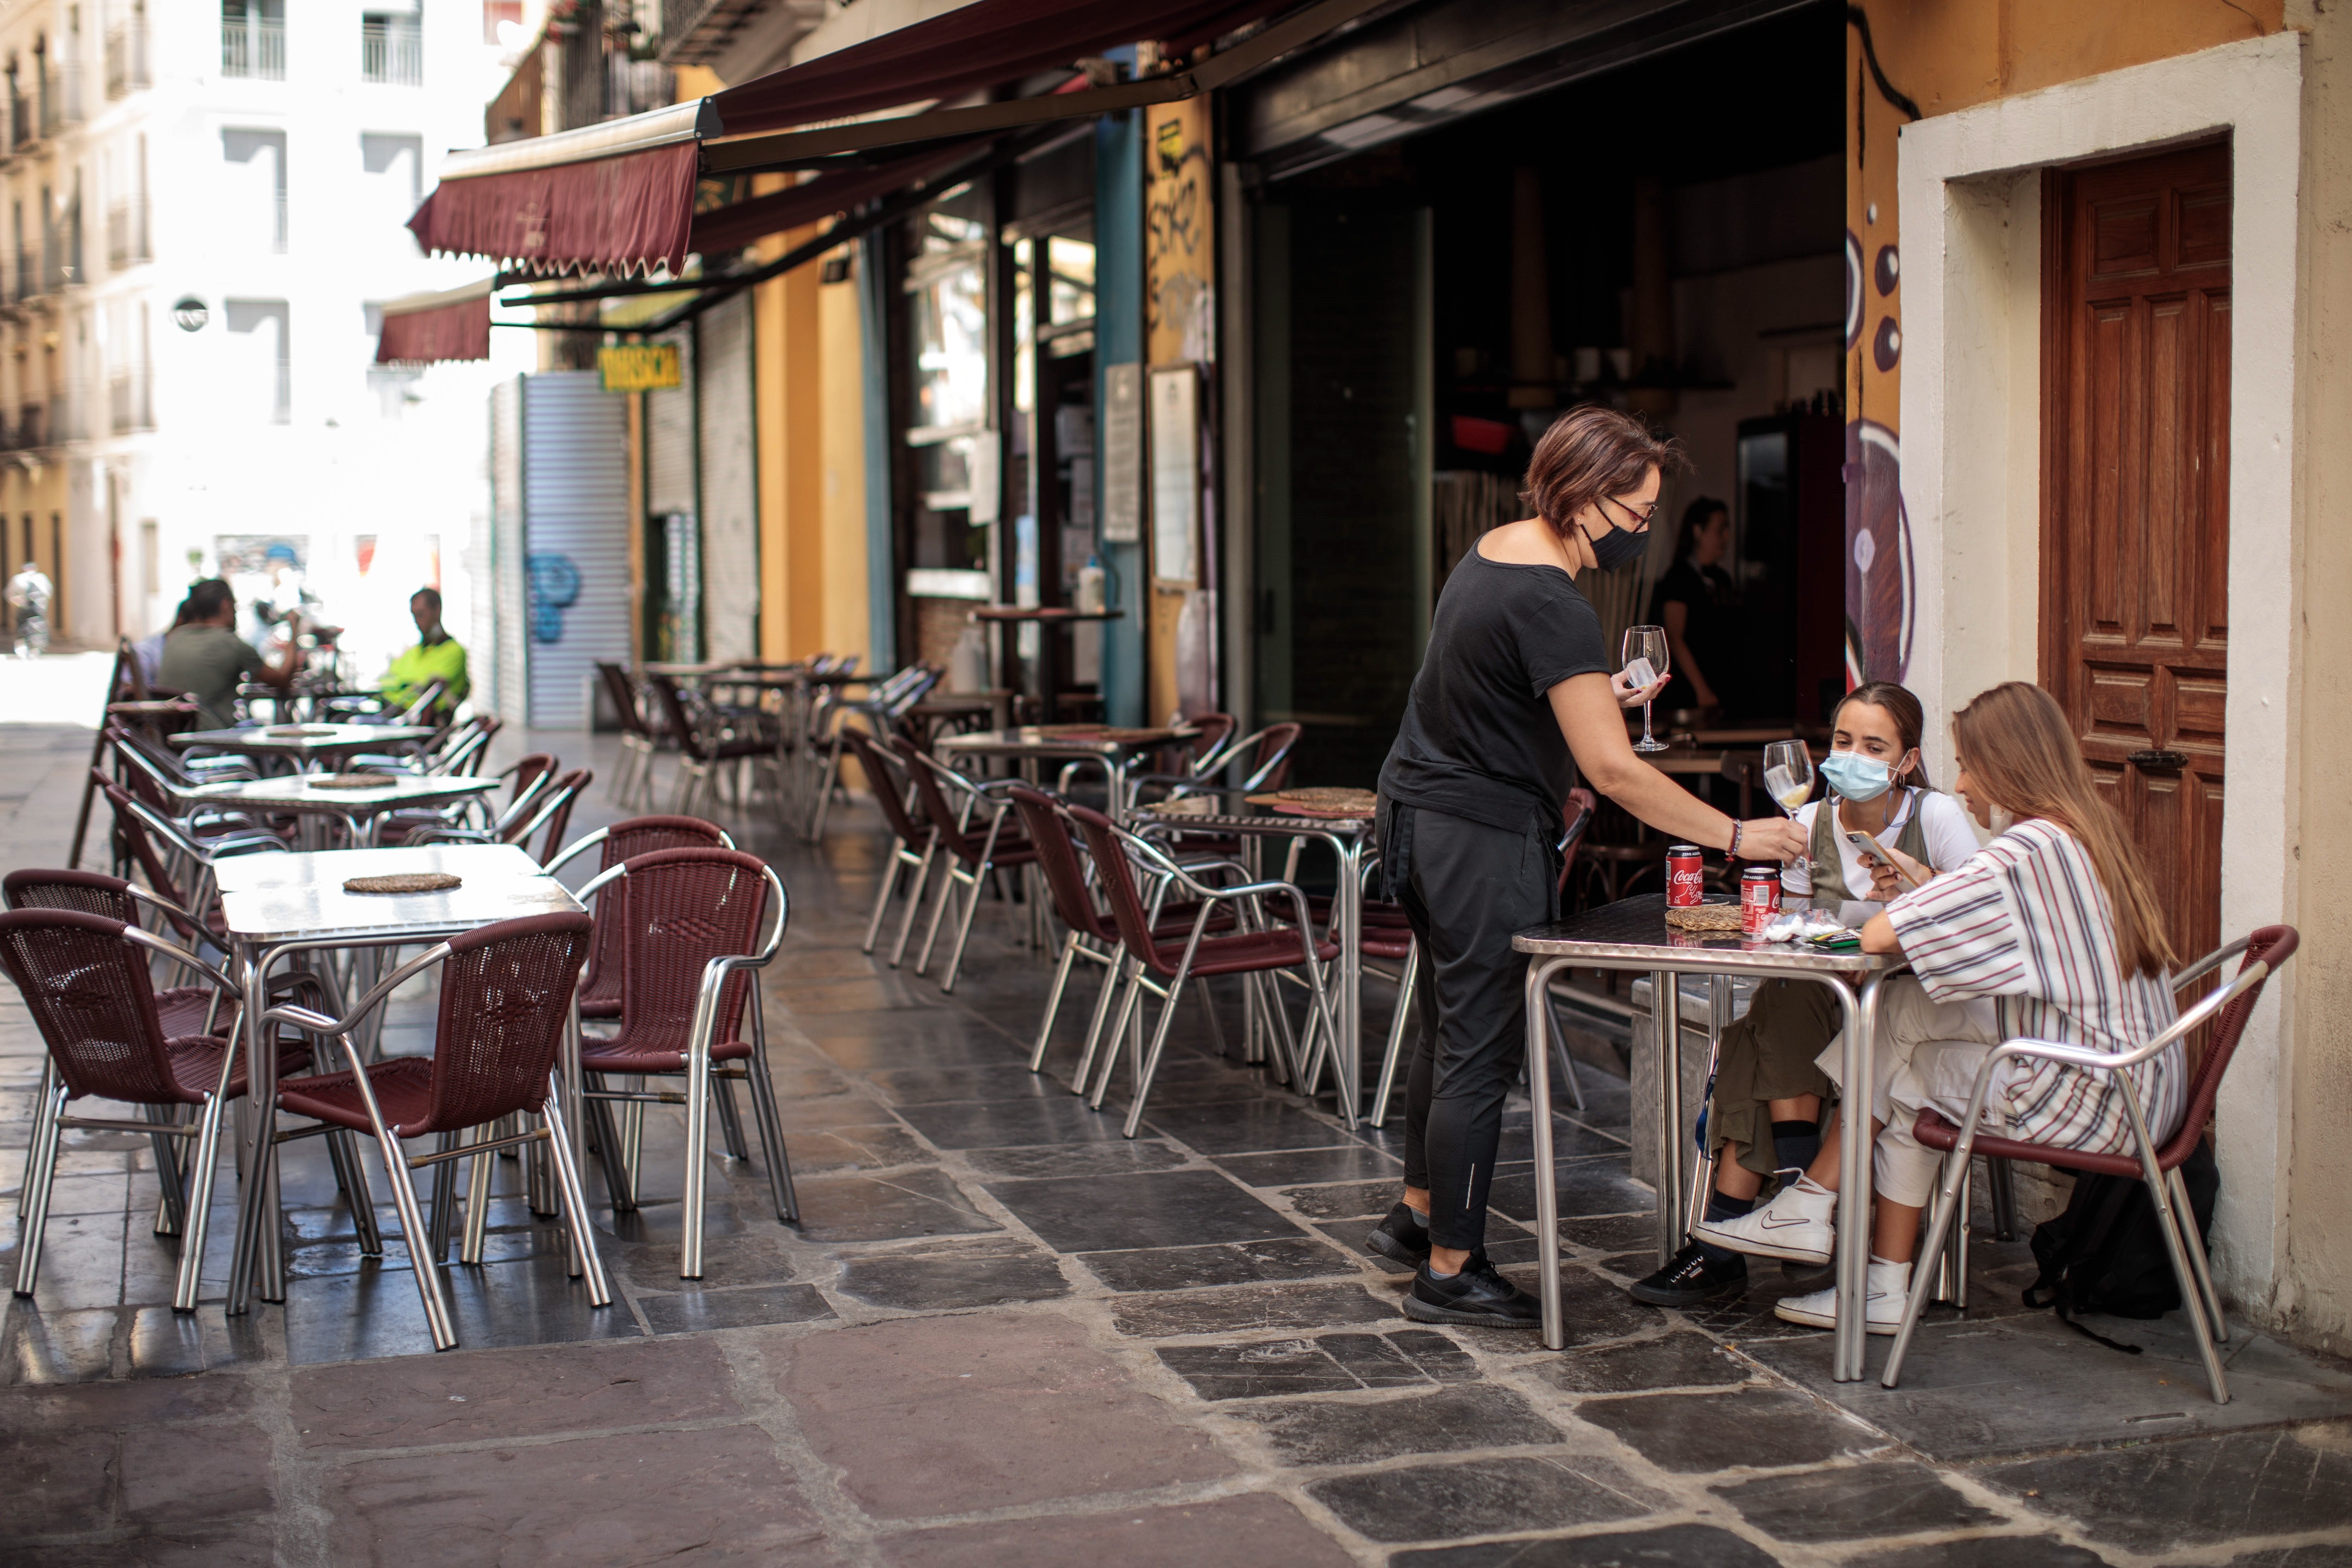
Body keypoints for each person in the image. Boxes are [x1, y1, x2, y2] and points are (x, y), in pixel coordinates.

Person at [1367, 405, 1808, 1329]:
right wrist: (1741, 837)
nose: (1644, 531)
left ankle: (1420, 1214)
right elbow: (1614, 772)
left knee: (1447, 1031)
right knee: (1480, 1049)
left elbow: (1488, 696)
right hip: (1480, 841)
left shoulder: (1496, 552)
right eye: (1636, 512)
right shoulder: (1556, 601)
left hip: (1421, 819)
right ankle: (1452, 1266)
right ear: (1581, 494)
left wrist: (1594, 696)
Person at [1694, 680, 2183, 1334]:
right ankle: (1830, 1230)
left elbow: (1874, 937)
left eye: (1969, 764)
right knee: (1899, 1013)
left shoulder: (2023, 850)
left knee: (1903, 1068)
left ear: (2007, 766)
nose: (1961, 783)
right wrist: (1924, 886)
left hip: (2089, 1097)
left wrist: (1910, 899)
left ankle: (1837, 1236)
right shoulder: (2077, 832)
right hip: (2140, 1077)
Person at [1628, 680, 1981, 1307]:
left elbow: (1974, 925)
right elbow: (1786, 934)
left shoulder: (1935, 818)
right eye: (1843, 741)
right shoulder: (1808, 823)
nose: (1852, 756)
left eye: (1875, 746)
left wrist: (1915, 893)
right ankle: (1794, 1189)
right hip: (1824, 1001)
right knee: (1778, 1005)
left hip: (1909, 1008)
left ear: (1906, 760)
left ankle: (1726, 1246)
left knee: (1754, 1036)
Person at [157, 578, 304, 728]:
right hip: (211, 738)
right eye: (235, 606)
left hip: (169, 738)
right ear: (226, 605)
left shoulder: (176, 637)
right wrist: (294, 627)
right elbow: (283, 681)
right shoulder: (232, 644)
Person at [1647, 497, 1736, 718]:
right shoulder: (1679, 577)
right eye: (1720, 529)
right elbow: (1675, 637)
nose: (1726, 537)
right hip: (1689, 692)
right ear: (1698, 531)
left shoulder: (1721, 579)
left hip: (1722, 684)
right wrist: (1702, 689)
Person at [380, 587, 468, 717]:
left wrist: (403, 687)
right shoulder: (413, 652)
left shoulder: (454, 652)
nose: (417, 621)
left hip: (420, 727)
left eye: (421, 614)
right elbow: (386, 684)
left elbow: (426, 693)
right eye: (414, 615)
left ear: (437, 611)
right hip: (393, 717)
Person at [7, 558, 52, 657]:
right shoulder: (18, 579)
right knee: (23, 629)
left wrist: (42, 603)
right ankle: (23, 648)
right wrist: (17, 601)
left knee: (39, 628)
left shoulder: (41, 578)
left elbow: (48, 591)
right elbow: (10, 594)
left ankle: (36, 648)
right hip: (24, 608)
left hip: (38, 608)